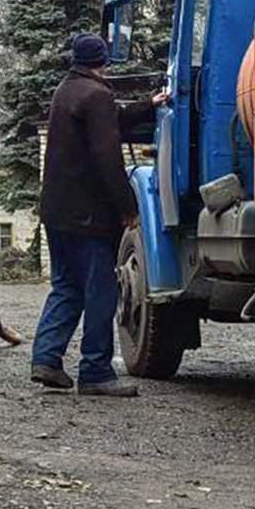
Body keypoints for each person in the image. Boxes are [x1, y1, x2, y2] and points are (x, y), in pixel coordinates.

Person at [30, 33, 158, 397]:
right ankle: (96, 371)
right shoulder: (97, 95)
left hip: (57, 213)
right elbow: (108, 157)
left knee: (66, 286)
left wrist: (149, 104)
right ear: (103, 63)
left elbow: (113, 118)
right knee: (100, 290)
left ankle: (46, 358)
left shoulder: (66, 91)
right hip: (90, 217)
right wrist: (128, 208)